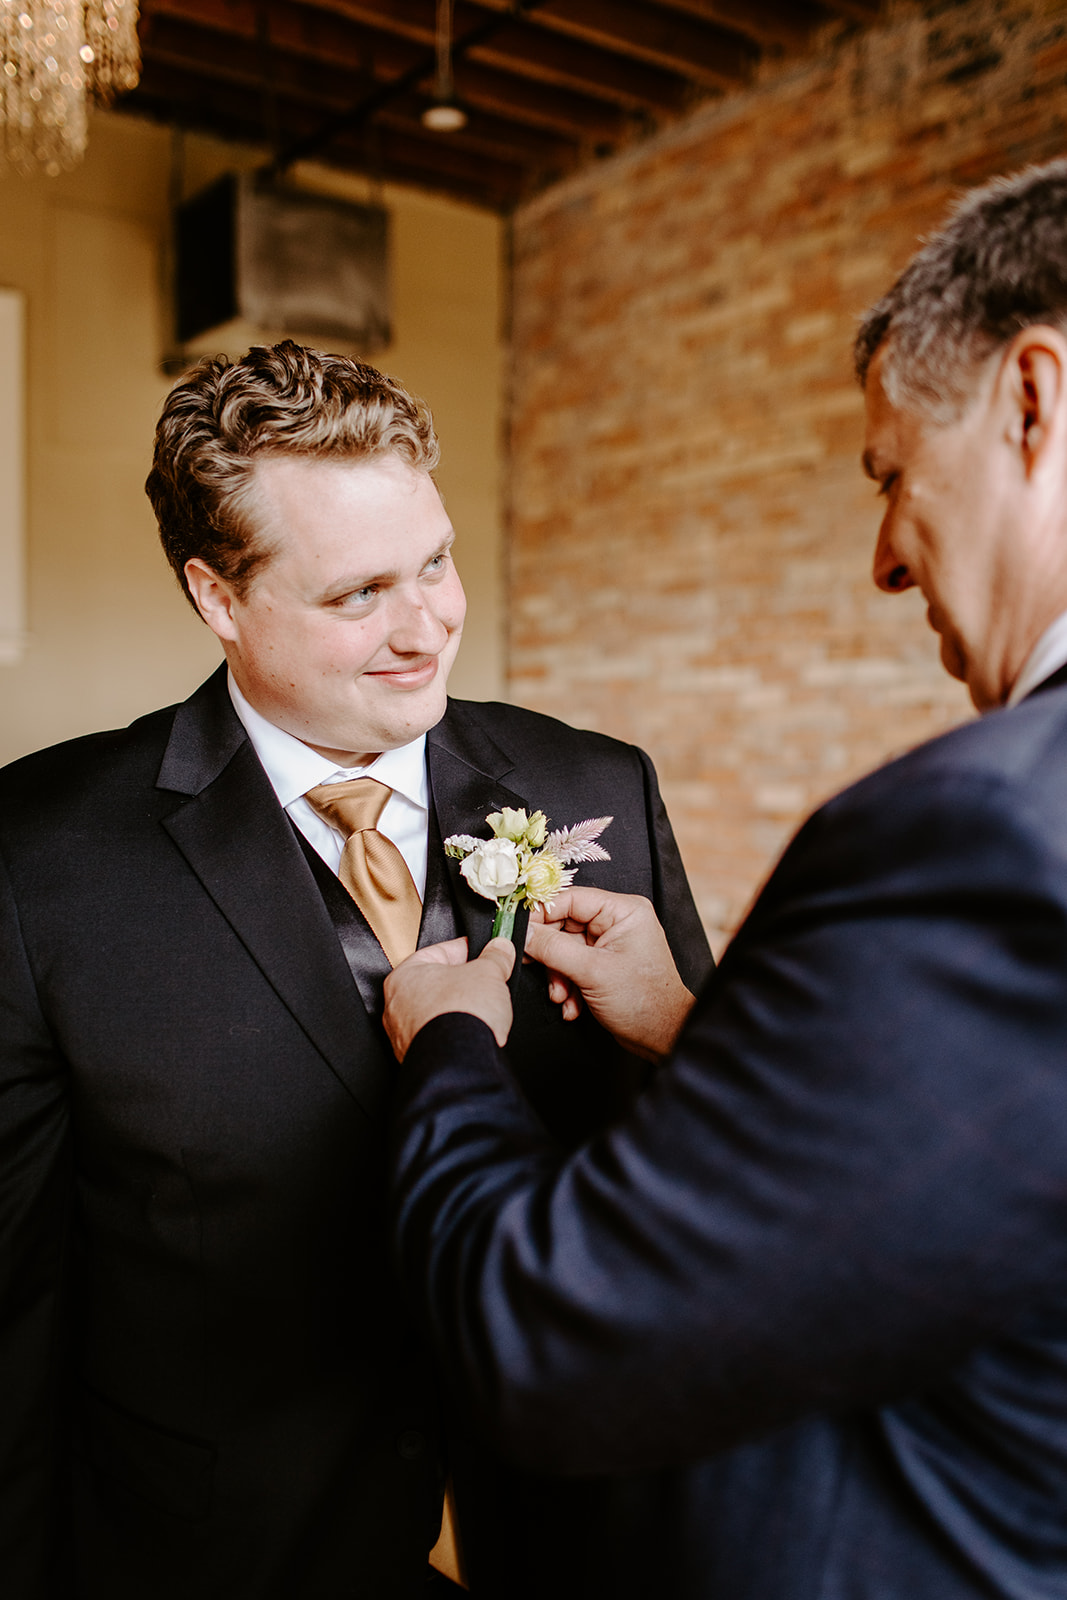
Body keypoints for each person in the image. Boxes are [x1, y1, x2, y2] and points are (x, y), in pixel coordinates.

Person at [384, 159, 1067, 1599]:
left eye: (890, 476)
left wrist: (446, 1049)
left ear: (1029, 402)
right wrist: (689, 1024)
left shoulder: (988, 832)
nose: (884, 558)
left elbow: (550, 1336)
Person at [0, 341, 710, 1599]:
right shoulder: (39, 857)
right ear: (219, 596)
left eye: (434, 561)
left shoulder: (598, 785)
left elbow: (702, 1170)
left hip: (572, 1534)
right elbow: (15, 1308)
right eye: (357, 594)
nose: (425, 625)